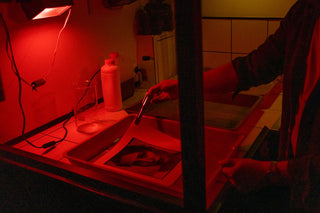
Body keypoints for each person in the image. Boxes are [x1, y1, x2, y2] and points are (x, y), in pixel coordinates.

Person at [146, 0, 320, 212]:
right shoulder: (307, 12)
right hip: (298, 188)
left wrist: (272, 172)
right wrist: (183, 87)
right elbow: (252, 66)